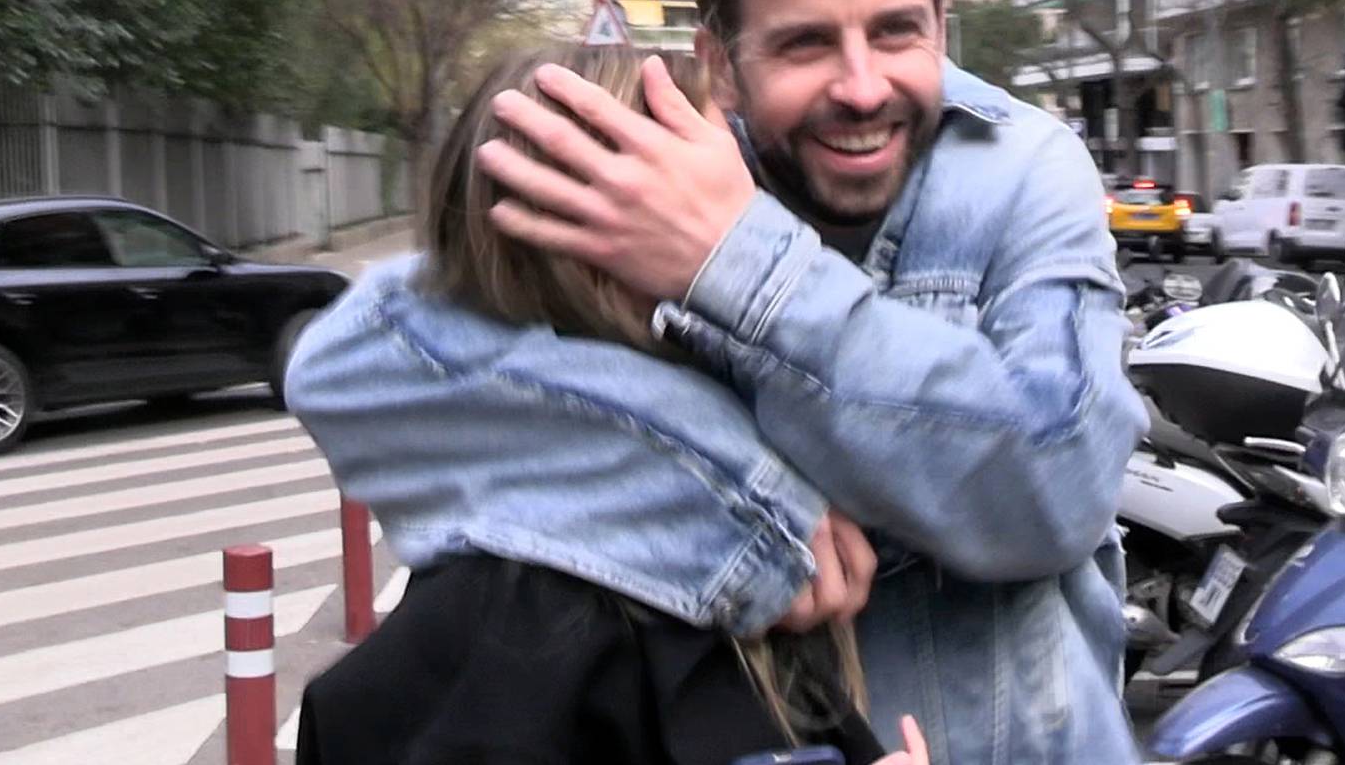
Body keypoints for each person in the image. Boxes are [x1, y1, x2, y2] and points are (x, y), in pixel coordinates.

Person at [290, 0, 1146, 764]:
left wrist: (736, 264)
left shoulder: (1023, 167)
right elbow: (363, 364)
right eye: (805, 43)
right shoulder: (657, 161)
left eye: (897, 30)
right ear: (723, 62)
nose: (862, 87)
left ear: (943, 24)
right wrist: (750, 508)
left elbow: (1057, 486)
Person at [293, 47, 920, 764]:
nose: (755, 234)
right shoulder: (552, 618)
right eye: (712, 200)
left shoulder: (664, 527)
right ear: (592, 250)